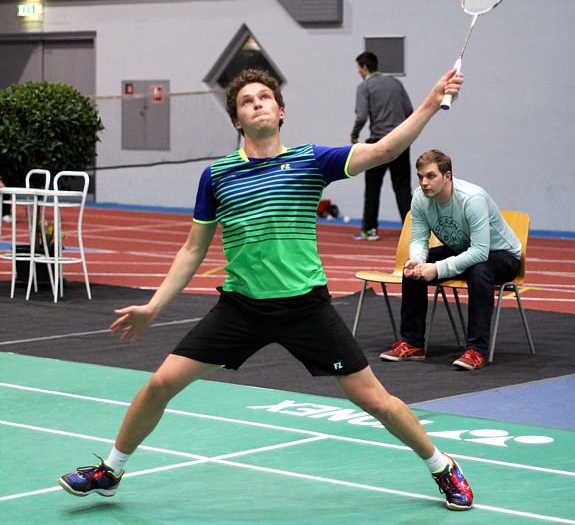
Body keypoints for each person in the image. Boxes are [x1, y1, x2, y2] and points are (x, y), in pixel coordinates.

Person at [59, 68, 474, 511]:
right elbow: (192, 248)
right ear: (237, 120)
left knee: (376, 401)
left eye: (264, 98)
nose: (256, 103)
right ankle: (111, 470)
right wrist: (156, 306)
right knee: (160, 383)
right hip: (241, 308)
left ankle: (442, 466)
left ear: (281, 112)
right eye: (246, 101)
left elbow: (385, 148)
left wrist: (431, 100)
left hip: (305, 308)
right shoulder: (217, 176)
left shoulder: (311, 161)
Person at [380, 149, 522, 371]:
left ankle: (476, 350)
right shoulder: (420, 197)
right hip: (464, 250)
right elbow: (418, 238)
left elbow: (480, 252)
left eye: (430, 176)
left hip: (502, 256)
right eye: (420, 177)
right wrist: (418, 261)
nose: (424, 183)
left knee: (479, 271)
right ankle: (413, 343)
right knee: (413, 269)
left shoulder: (472, 199)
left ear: (447, 176)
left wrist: (436, 269)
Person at [351, 51, 413, 241]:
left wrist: (355, 134)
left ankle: (369, 229)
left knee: (373, 187)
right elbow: (409, 110)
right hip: (400, 141)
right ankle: (412, 231)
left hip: (377, 143)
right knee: (403, 188)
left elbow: (361, 116)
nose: (358, 72)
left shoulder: (365, 87)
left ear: (364, 67)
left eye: (358, 68)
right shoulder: (395, 83)